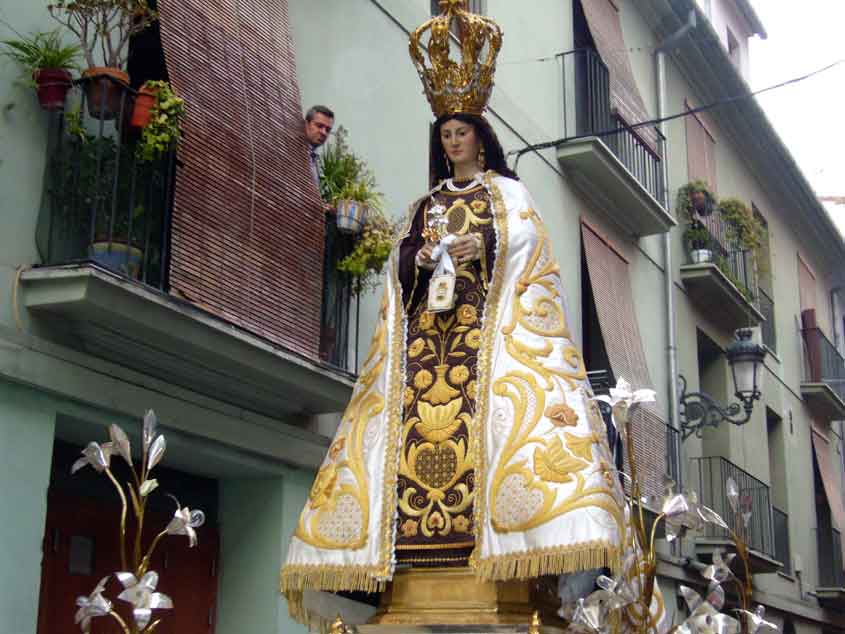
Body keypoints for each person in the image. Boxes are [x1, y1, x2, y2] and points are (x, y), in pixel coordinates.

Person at [282, 2, 663, 630]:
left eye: (461, 132)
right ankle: (411, 574)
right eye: (445, 135)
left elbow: (529, 254)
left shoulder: (508, 195)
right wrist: (422, 257)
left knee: (493, 442)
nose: (452, 141)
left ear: (480, 137)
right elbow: (396, 271)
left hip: (484, 353)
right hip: (429, 355)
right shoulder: (425, 202)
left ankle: (505, 562)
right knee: (408, 454)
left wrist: (479, 249)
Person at [304, 104, 334, 187]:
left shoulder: (314, 159)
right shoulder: (294, 153)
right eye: (319, 126)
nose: (324, 132)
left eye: (328, 130)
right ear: (306, 124)